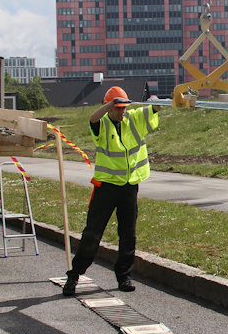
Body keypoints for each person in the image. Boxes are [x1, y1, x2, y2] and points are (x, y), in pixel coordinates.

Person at [62, 86, 160, 296]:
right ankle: (74, 276)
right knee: (92, 234)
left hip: (128, 187)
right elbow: (93, 118)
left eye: (124, 107)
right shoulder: (102, 124)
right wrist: (110, 105)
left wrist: (155, 99)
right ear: (109, 107)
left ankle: (124, 276)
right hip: (106, 188)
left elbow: (155, 109)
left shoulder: (133, 119)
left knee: (128, 234)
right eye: (118, 108)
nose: (122, 111)